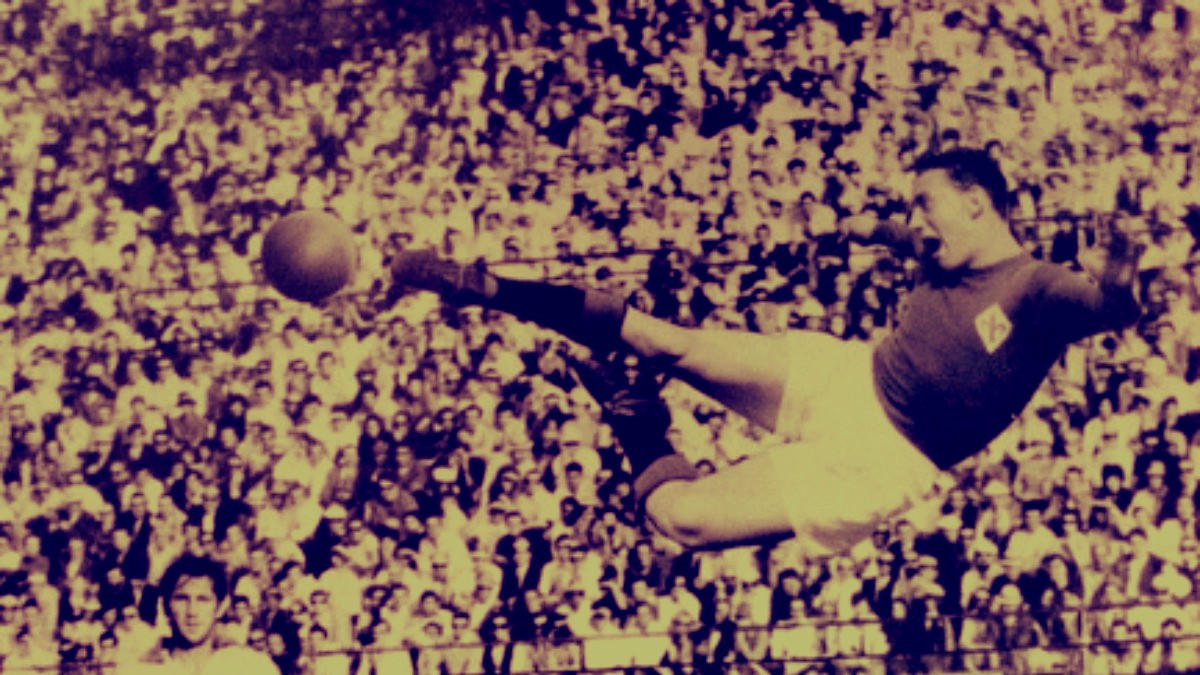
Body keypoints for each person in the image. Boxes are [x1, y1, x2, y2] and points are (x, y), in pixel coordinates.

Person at [391, 148, 1143, 554]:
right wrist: (863, 227)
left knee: (684, 521)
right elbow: (895, 234)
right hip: (851, 374)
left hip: (883, 459)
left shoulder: (1038, 288)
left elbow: (1113, 307)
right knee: (663, 338)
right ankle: (483, 286)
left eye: (927, 203)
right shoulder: (933, 247)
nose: (917, 220)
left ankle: (636, 417)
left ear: (977, 201)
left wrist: (1118, 273)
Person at [126, 554, 279, 674]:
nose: (192, 611)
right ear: (166, 605)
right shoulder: (140, 671)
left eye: (203, 600)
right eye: (182, 599)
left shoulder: (252, 667)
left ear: (221, 606)